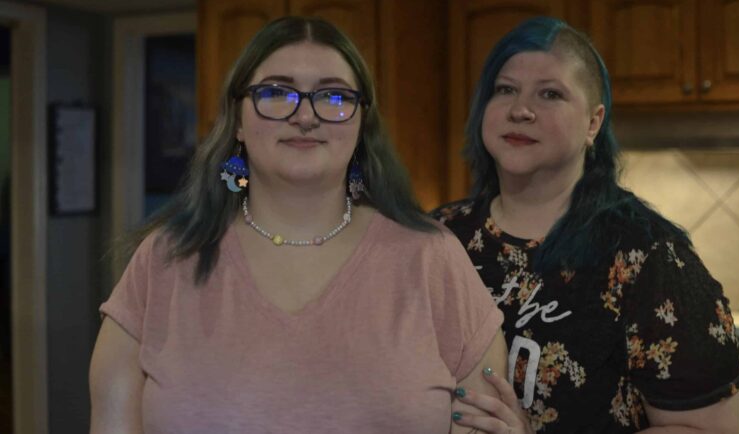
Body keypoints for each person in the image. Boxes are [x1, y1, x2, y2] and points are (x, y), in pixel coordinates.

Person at [90, 16, 509, 434]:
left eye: (333, 96)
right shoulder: (164, 259)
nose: (305, 116)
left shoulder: (432, 259)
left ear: (362, 123)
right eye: (276, 92)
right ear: (237, 120)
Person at [433, 16, 739, 434]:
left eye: (550, 94)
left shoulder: (647, 255)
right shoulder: (438, 236)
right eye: (505, 89)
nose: (520, 110)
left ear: (593, 122)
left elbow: (708, 429)